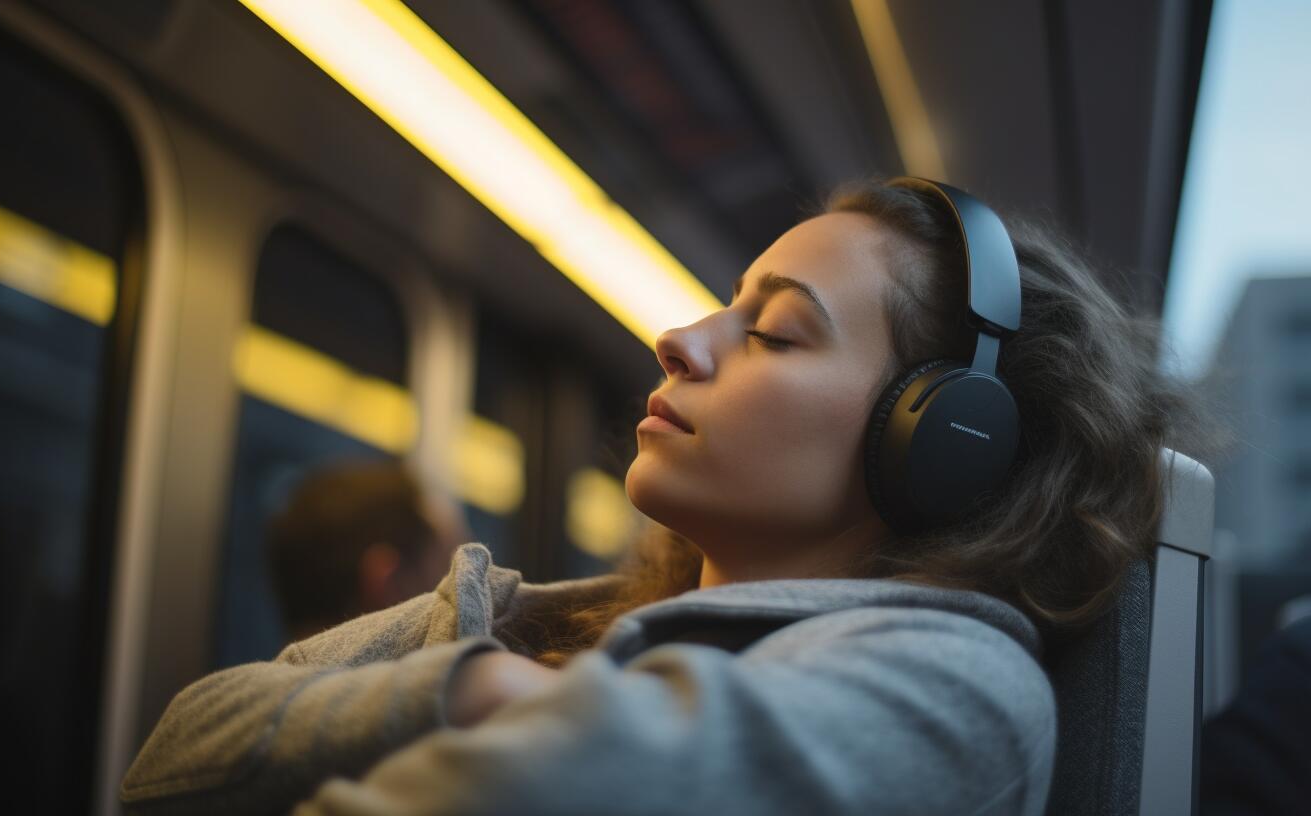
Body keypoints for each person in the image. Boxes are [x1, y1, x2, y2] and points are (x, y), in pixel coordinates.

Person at [121, 178, 1214, 815]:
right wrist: (479, 692)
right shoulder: (527, 617)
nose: (679, 339)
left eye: (774, 332)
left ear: (943, 446)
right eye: (721, 309)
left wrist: (490, 702)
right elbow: (173, 752)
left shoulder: (959, 686)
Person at [266, 459, 469, 641]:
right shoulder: (458, 680)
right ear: (389, 585)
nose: (464, 612)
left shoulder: (249, 680)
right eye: (448, 586)